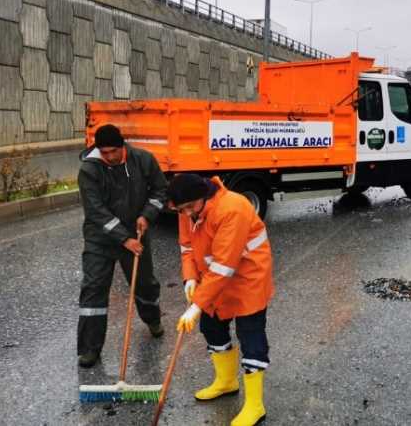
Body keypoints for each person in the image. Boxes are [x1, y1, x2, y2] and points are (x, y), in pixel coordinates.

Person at [168, 174, 274, 426]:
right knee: (212, 328)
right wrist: (190, 278)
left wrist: (195, 307)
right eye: (180, 211)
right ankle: (226, 382)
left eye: (190, 208)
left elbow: (225, 265)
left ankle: (255, 405)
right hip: (214, 280)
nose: (186, 214)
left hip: (247, 279)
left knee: (251, 338)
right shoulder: (187, 209)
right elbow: (187, 248)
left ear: (205, 196)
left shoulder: (233, 208)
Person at [76, 124, 167, 368]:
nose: (109, 157)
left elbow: (160, 191)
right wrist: (123, 238)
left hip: (135, 234)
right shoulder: (89, 170)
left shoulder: (143, 160)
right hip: (100, 238)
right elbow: (95, 211)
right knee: (93, 288)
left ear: (122, 146)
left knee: (144, 284)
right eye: (103, 152)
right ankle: (89, 348)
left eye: (113, 151)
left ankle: (153, 319)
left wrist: (147, 215)